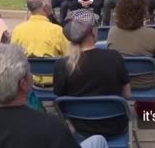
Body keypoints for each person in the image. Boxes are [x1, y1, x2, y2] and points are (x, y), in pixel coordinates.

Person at [0, 44, 109, 148]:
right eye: (30, 72)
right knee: (99, 140)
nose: (32, 75)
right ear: (23, 84)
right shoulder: (51, 126)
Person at [53, 9, 131, 138]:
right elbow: (127, 94)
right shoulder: (114, 57)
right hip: (115, 126)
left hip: (79, 128)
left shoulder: (61, 65)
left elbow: (61, 101)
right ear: (92, 32)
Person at [11, 0, 70, 87]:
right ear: (45, 6)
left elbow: (14, 60)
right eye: (50, 1)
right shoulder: (57, 31)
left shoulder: (17, 31)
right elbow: (70, 59)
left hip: (26, 85)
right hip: (55, 85)